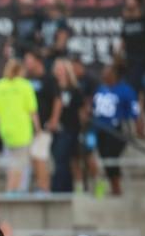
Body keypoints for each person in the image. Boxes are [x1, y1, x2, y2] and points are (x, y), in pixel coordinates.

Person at [0, 58, 38, 192]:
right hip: (22, 130)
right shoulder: (25, 85)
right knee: (20, 164)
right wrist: (37, 129)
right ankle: (15, 190)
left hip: (6, 130)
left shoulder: (0, 85)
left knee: (11, 163)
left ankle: (12, 189)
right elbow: (32, 110)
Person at [92, 64, 138, 196]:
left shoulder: (125, 90)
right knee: (103, 156)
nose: (103, 75)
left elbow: (133, 111)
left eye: (107, 73)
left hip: (117, 129)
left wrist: (135, 127)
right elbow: (95, 106)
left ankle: (116, 186)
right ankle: (111, 186)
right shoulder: (101, 89)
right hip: (100, 129)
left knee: (111, 156)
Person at [25, 50, 60, 192]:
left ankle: (44, 188)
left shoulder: (49, 79)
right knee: (34, 158)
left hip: (44, 125)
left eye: (29, 60)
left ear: (38, 61)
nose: (26, 63)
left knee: (39, 157)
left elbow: (57, 100)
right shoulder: (27, 79)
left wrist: (54, 120)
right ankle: (41, 185)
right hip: (29, 127)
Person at [51, 58, 84, 193]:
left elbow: (81, 110)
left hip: (71, 129)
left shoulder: (75, 89)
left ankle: (69, 188)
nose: (58, 72)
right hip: (57, 130)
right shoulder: (53, 87)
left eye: (61, 69)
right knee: (59, 159)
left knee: (69, 160)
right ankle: (62, 188)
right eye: (57, 69)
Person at [120, 0, 145, 91]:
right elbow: (123, 37)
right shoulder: (126, 19)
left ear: (137, 2)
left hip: (142, 55)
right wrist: (119, 52)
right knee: (129, 81)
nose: (128, 2)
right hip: (129, 55)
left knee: (139, 81)